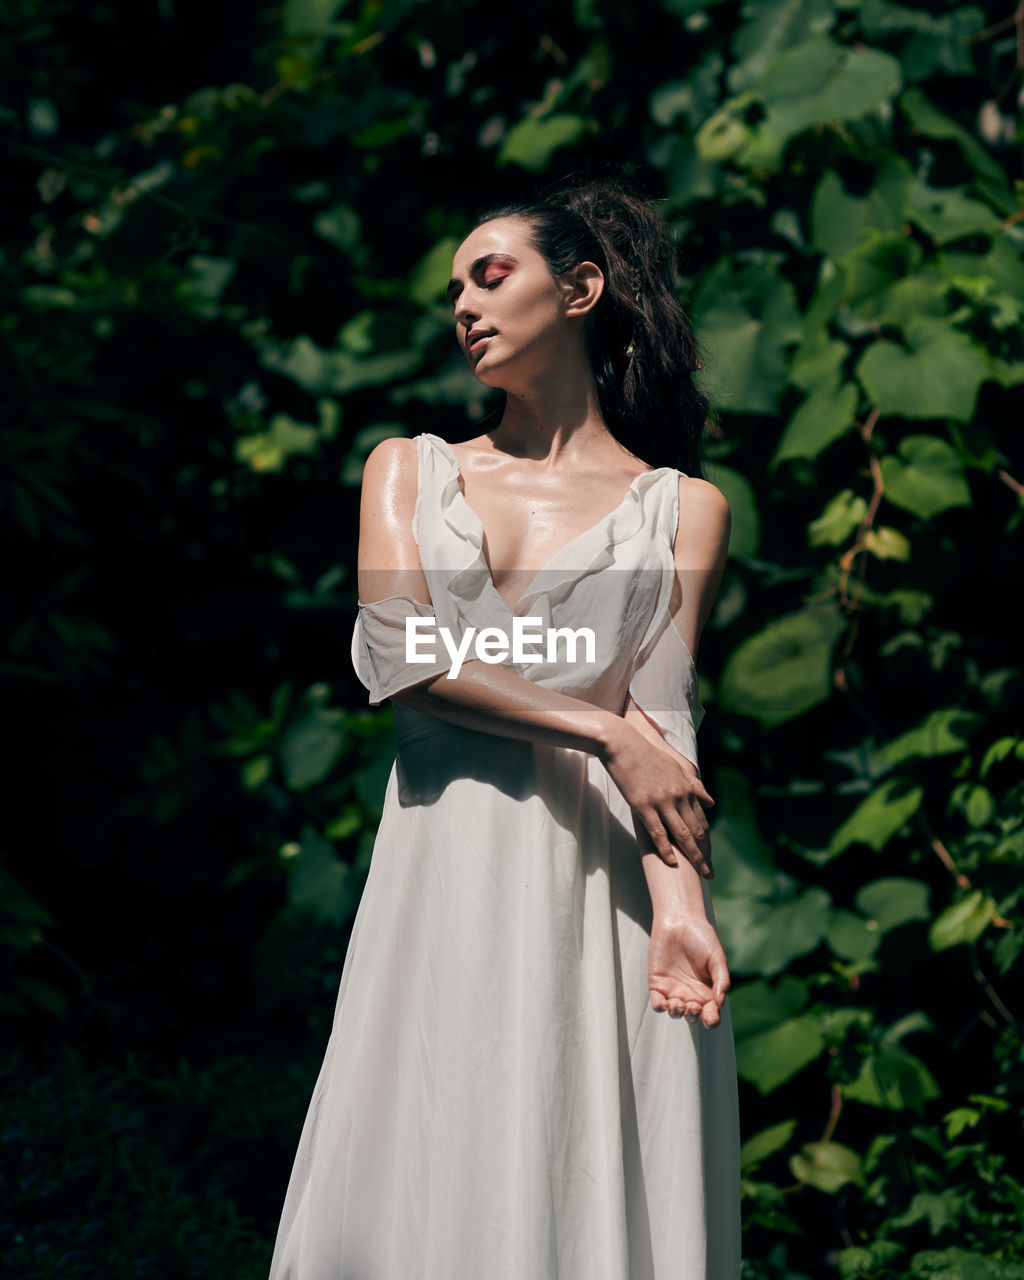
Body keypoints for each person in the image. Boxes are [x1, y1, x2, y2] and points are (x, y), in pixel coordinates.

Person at [269, 180, 741, 1279]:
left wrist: (680, 911)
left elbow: (662, 717)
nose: (465, 307)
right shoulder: (411, 466)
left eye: (491, 275)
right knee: (429, 1151)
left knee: (580, 1172)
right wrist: (601, 732)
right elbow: (399, 656)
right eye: (454, 292)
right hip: (447, 866)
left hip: (598, 886)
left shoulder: (683, 507)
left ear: (580, 289)